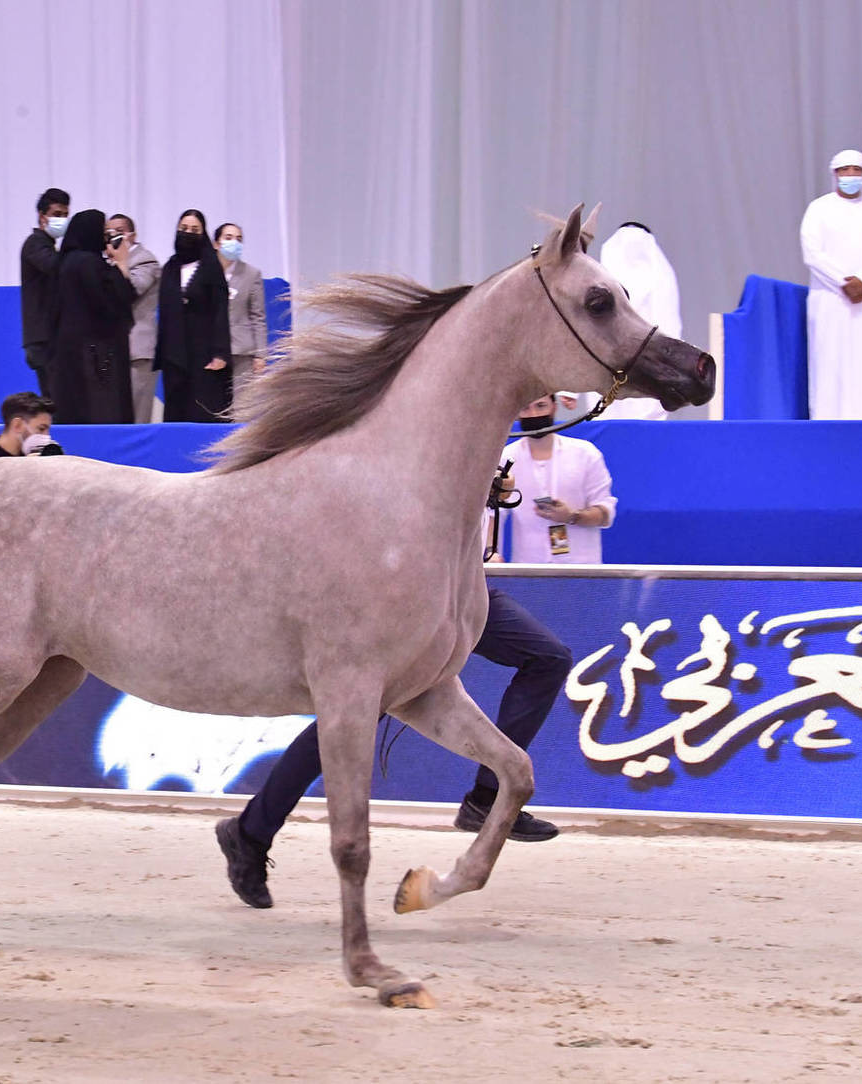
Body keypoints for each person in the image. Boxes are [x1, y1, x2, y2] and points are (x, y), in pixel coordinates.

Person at [215, 478, 574, 908]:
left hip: (462, 592)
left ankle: (484, 797)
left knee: (548, 657)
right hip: (397, 596)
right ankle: (251, 831)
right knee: (353, 719)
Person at [801, 149, 862, 420]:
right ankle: (827, 417)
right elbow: (812, 253)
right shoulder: (819, 209)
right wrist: (844, 282)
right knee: (830, 357)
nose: (851, 175)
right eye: (845, 170)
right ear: (835, 174)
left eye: (857, 170)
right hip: (830, 299)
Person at [499, 395, 616, 563]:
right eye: (526, 408)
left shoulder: (586, 454)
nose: (533, 414)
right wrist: (492, 552)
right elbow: (494, 512)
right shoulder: (506, 458)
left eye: (541, 406)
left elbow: (605, 513)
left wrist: (572, 516)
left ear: (554, 407)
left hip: (580, 570)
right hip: (528, 570)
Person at [48, 210, 135, 424]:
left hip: (70, 351)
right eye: (103, 231)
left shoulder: (65, 262)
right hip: (95, 356)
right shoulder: (89, 263)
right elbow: (113, 301)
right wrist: (122, 264)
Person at [593, 222, 681, 420]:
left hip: (648, 373)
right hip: (610, 374)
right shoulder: (602, 288)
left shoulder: (660, 283)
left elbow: (669, 328)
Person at [155, 209, 232, 422]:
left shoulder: (211, 267)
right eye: (184, 229)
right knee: (176, 412)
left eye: (194, 230)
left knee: (202, 410)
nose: (188, 233)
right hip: (175, 356)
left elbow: (220, 311)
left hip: (203, 353)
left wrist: (220, 353)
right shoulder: (170, 267)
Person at [107, 213, 162, 423]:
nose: (114, 237)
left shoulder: (145, 259)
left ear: (133, 234)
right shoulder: (109, 260)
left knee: (138, 416)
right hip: (115, 349)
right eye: (109, 233)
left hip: (138, 350)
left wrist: (120, 262)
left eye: (120, 232)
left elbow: (132, 289)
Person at [21, 187, 71, 398]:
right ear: (42, 217)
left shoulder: (49, 246)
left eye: (65, 215)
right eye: (57, 215)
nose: (62, 220)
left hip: (51, 336)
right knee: (54, 398)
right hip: (43, 337)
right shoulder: (35, 245)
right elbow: (54, 267)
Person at [214, 223, 268, 405]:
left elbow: (258, 316)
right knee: (212, 407)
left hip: (242, 351)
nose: (234, 243)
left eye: (239, 239)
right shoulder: (203, 272)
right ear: (216, 243)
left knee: (240, 407)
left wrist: (261, 354)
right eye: (228, 238)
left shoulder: (251, 274)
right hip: (210, 351)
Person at [0, 391, 58, 466]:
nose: (47, 436)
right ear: (17, 425)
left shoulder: (40, 461)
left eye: (48, 430)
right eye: (41, 429)